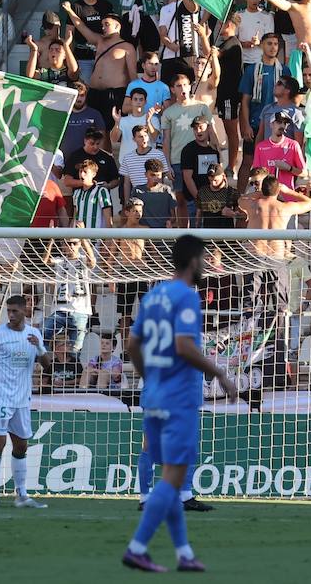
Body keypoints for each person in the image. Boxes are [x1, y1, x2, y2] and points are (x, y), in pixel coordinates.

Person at [122, 235, 238, 573]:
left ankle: (184, 552)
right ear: (192, 261)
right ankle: (137, 547)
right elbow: (185, 346)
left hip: (154, 393)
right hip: (179, 396)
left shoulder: (153, 294)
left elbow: (132, 345)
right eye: (204, 259)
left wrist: (150, 379)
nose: (206, 265)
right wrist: (221, 374)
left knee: (169, 477)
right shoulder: (187, 296)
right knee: (173, 477)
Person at [0, 293, 52, 509]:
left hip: (22, 399)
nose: (10, 315)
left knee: (21, 445)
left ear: (25, 310)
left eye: (14, 311)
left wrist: (39, 347)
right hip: (0, 397)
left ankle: (21, 495)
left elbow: (47, 365)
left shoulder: (33, 333)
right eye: (8, 311)